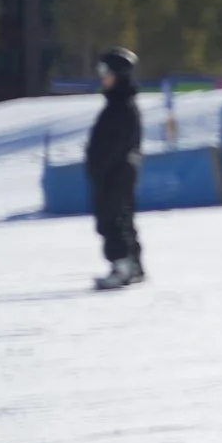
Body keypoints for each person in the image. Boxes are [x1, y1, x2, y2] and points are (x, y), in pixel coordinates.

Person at [85, 46, 144, 290]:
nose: (103, 76)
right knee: (119, 217)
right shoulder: (118, 104)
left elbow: (116, 144)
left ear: (118, 74)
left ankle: (122, 267)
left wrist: (102, 166)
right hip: (114, 172)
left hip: (116, 173)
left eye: (106, 71)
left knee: (113, 219)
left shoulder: (122, 107)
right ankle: (133, 264)